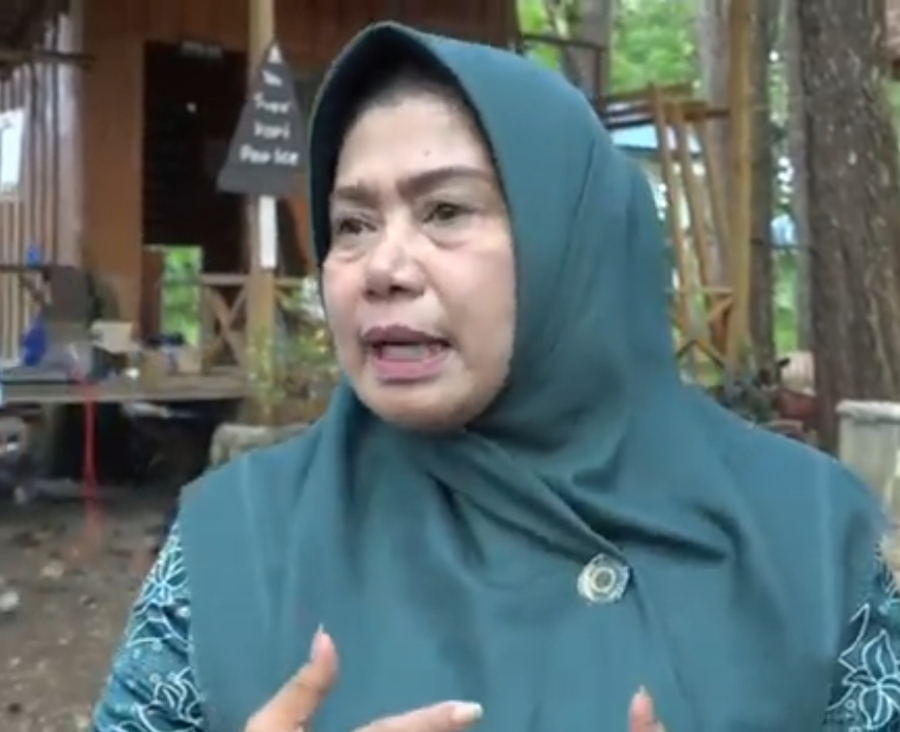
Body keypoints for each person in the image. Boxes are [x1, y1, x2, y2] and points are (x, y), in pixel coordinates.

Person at [93, 22, 900, 732]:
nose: (382, 267)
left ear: (573, 244)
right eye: (352, 223)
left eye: (445, 211)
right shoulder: (236, 546)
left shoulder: (807, 540)